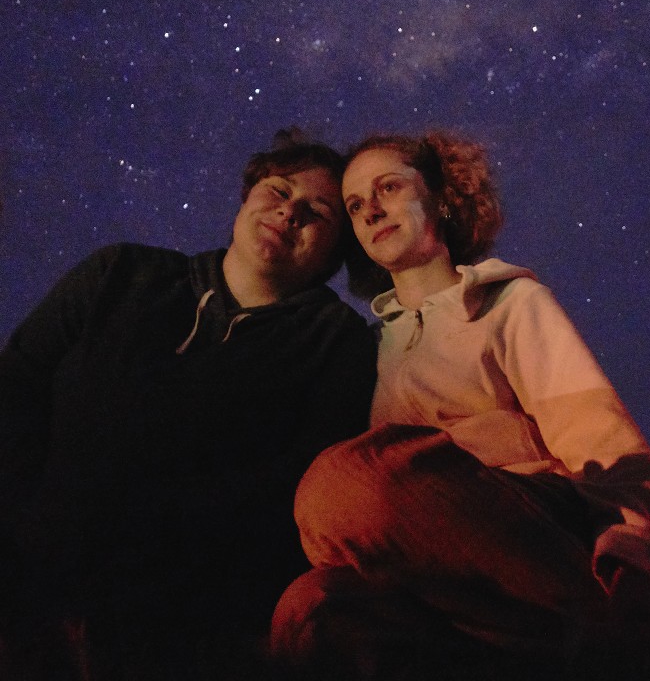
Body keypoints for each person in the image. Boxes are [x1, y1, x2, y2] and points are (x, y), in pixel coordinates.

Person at [270, 132, 650, 679]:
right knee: (308, 609)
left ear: (442, 199)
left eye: (389, 188)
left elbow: (598, 435)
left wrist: (639, 556)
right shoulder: (369, 348)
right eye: (353, 205)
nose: (370, 210)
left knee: (346, 481)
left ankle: (607, 633)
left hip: (523, 519)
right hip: (433, 566)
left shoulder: (509, 303)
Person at [0, 129, 377, 677]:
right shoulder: (119, 273)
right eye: (279, 190)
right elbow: (18, 380)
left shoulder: (336, 343)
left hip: (176, 611)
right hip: (25, 557)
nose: (290, 211)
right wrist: (27, 516)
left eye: (317, 212)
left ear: (334, 254)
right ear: (246, 197)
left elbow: (299, 481)